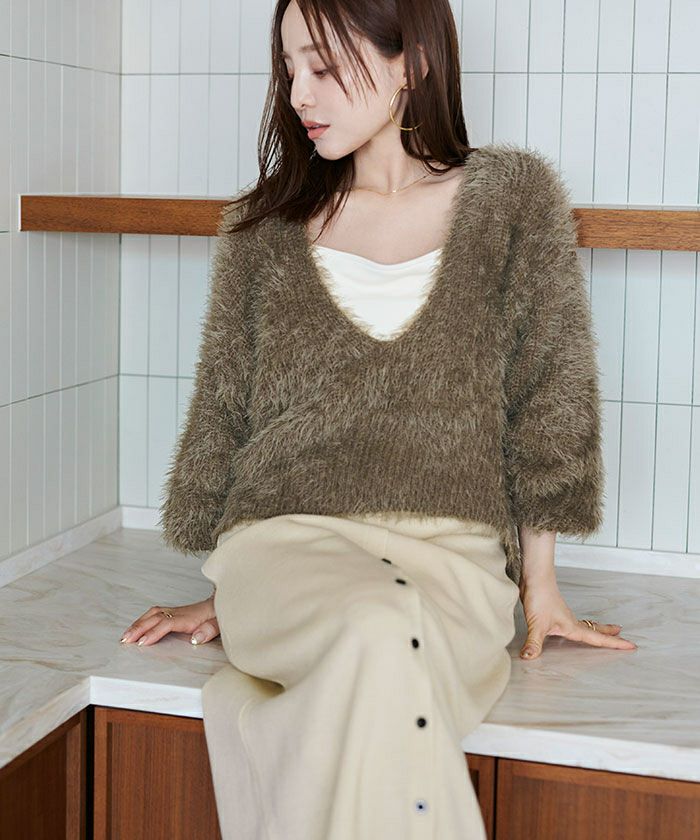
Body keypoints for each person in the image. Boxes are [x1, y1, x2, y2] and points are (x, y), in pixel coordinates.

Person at [121, 0, 637, 836]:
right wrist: (237, 591)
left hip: (455, 559)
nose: (299, 93)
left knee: (383, 630)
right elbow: (225, 409)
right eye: (290, 68)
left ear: (412, 62)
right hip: (284, 544)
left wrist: (540, 590)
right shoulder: (262, 226)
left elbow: (549, 395)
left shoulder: (513, 200)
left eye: (323, 66)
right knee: (372, 624)